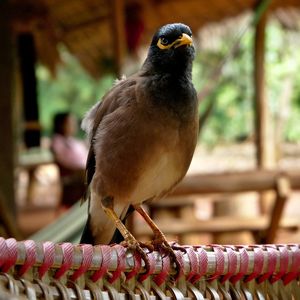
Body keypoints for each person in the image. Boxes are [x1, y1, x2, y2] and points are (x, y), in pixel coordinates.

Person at [51, 112, 88, 209]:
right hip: (76, 178)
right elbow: (62, 160)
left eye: (74, 122)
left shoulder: (73, 141)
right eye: (70, 122)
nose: (73, 125)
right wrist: (81, 169)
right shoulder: (58, 141)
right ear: (61, 125)